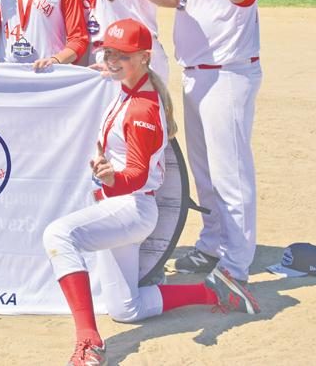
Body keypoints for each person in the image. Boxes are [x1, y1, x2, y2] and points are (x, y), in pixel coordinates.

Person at [42, 19, 259, 366]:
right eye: (108, 52)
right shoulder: (130, 86)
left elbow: (137, 178)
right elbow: (116, 75)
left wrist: (113, 178)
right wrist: (111, 68)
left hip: (130, 209)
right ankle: (212, 290)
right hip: (122, 207)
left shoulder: (141, 106)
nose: (112, 61)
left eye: (122, 56)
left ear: (144, 58)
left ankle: (89, 342)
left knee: (58, 235)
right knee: (126, 309)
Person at [169, 0, 263, 286]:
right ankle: (212, 245)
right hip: (198, 72)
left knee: (231, 175)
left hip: (227, 73)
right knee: (206, 174)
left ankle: (236, 264)